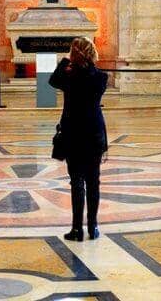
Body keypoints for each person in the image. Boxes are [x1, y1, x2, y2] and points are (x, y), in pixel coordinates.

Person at [49, 37, 108, 241]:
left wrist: (66, 60)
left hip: (73, 133)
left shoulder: (69, 77)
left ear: (74, 54)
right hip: (94, 133)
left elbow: (52, 80)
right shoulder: (101, 77)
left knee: (77, 182)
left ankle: (76, 230)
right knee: (94, 183)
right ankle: (93, 227)